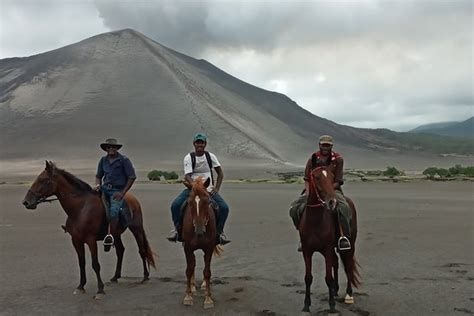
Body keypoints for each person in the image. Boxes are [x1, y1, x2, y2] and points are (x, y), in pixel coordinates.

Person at [289, 135, 352, 251]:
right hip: (313, 190)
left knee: (344, 208)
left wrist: (328, 190)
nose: (325, 147)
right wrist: (308, 193)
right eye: (323, 145)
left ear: (331, 146)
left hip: (333, 189)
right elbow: (307, 179)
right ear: (319, 145)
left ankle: (344, 237)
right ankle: (303, 236)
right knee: (294, 209)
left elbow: (338, 181)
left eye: (328, 145)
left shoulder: (338, 159)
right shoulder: (312, 159)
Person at [167, 133, 230, 245]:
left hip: (209, 189)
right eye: (198, 142)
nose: (200, 144)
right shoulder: (189, 157)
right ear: (194, 144)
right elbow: (187, 175)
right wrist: (195, 186)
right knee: (175, 205)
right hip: (193, 189)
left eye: (202, 142)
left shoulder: (211, 157)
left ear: (205, 144)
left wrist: (217, 188)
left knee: (224, 208)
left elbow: (220, 173)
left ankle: (219, 233)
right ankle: (177, 231)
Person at [94, 138, 136, 252]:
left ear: (117, 148)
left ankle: (110, 236)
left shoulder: (123, 160)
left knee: (114, 210)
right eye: (109, 147)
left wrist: (123, 193)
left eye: (113, 147)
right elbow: (98, 175)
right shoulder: (103, 160)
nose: (111, 149)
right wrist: (98, 185)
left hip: (117, 190)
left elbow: (132, 177)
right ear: (106, 149)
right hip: (104, 188)